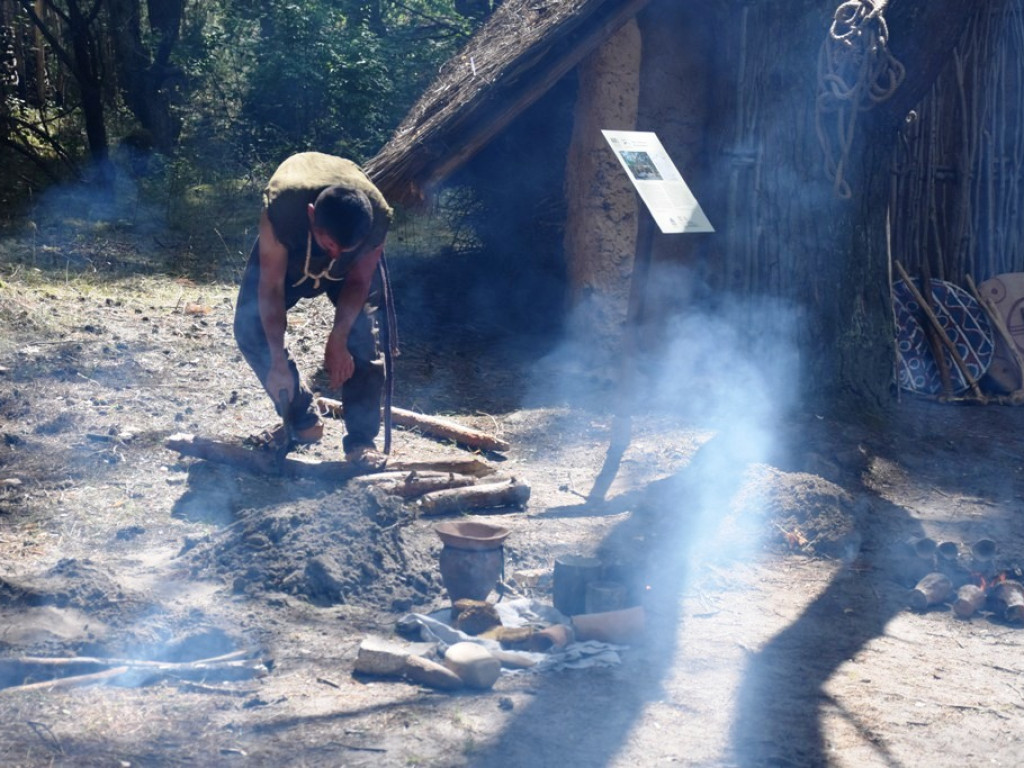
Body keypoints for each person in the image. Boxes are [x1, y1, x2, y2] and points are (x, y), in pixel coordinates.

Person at [233, 152, 393, 469]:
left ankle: (361, 441)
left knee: (362, 336)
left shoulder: (375, 221)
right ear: (311, 216)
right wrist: (276, 358)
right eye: (329, 244)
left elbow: (359, 281)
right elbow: (271, 289)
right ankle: (303, 420)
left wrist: (338, 338)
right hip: (288, 262)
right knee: (250, 326)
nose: (334, 254)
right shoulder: (282, 211)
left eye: (343, 249)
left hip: (347, 276)